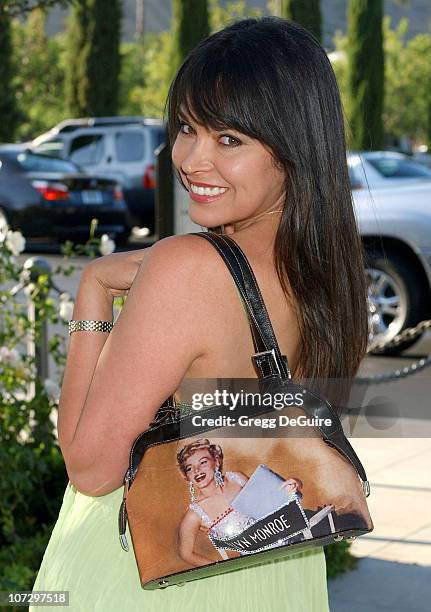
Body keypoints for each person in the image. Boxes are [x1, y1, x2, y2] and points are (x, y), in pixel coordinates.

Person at [31, 16, 368, 612]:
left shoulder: (187, 267)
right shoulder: (328, 275)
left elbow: (89, 466)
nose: (190, 157)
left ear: (293, 149)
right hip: (275, 576)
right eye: (187, 127)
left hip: (148, 581)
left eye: (229, 139)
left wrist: (91, 296)